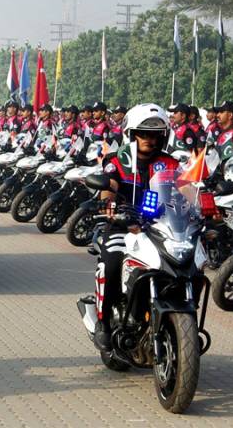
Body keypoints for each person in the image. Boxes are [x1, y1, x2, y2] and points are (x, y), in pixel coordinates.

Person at [92, 103, 179, 351]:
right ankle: (103, 322)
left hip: (161, 229)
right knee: (110, 265)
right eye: (144, 133)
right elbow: (108, 189)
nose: (150, 139)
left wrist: (205, 209)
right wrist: (111, 208)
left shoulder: (170, 163)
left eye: (155, 135)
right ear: (131, 134)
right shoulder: (117, 161)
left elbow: (186, 189)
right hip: (122, 226)